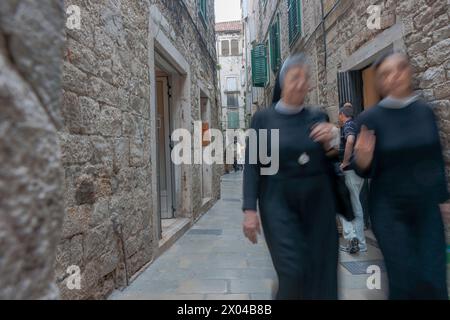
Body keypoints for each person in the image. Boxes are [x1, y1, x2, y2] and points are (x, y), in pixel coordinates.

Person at [242, 53, 340, 299]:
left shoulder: (318, 117)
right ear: (283, 81)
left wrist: (332, 142)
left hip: (318, 206)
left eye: (305, 78)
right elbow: (253, 166)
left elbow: (329, 160)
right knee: (292, 272)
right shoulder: (263, 119)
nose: (300, 83)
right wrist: (249, 211)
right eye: (294, 77)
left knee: (320, 271)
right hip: (278, 204)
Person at [353, 52, 450, 299]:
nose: (395, 76)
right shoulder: (370, 118)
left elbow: (435, 156)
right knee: (404, 279)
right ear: (381, 83)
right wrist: (362, 160)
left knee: (433, 277)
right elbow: (362, 168)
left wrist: (444, 199)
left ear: (409, 72)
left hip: (427, 208)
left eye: (400, 69)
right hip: (390, 211)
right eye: (386, 73)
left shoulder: (424, 112)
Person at [338, 103, 367, 254]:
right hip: (359, 171)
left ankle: (353, 238)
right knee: (356, 205)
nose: (339, 119)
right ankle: (359, 242)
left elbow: (349, 141)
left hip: (350, 171)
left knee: (348, 206)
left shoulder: (348, 126)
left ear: (343, 115)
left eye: (339, 116)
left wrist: (345, 162)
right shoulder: (358, 125)